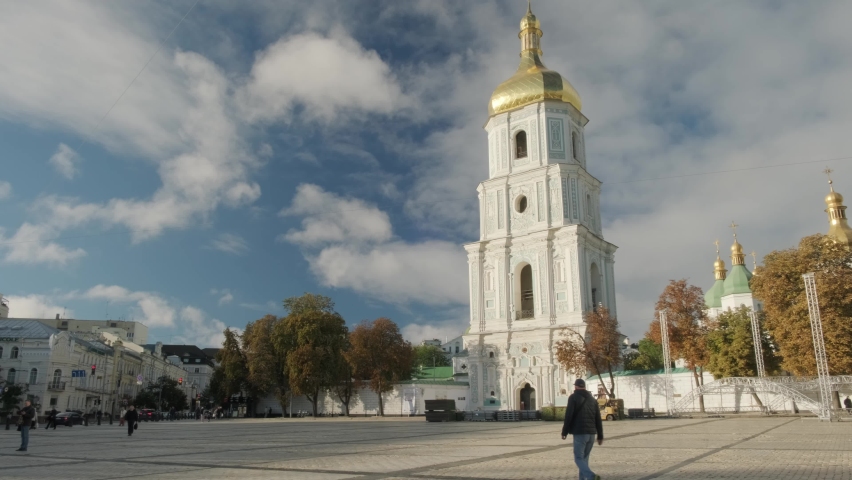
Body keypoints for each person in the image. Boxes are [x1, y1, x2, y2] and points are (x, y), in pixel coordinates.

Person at [561, 379, 603, 480]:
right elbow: (598, 418)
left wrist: (564, 431)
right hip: (591, 434)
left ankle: (591, 476)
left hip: (580, 433)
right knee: (584, 459)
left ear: (575, 387)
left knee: (578, 458)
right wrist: (600, 436)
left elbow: (569, 415)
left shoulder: (573, 397)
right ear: (584, 386)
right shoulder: (593, 400)